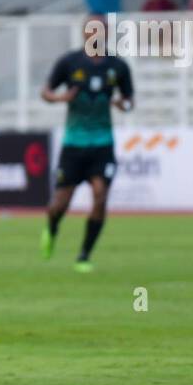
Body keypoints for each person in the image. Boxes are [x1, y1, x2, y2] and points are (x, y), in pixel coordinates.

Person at [40, 14, 134, 272]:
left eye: (100, 30)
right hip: (74, 144)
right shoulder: (69, 63)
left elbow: (129, 101)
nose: (95, 34)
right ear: (84, 33)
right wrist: (61, 98)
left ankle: (84, 255)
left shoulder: (118, 67)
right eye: (91, 30)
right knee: (61, 202)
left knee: (100, 196)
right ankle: (51, 228)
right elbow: (45, 92)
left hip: (102, 144)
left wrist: (122, 104)